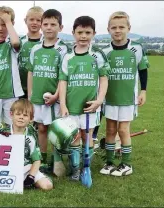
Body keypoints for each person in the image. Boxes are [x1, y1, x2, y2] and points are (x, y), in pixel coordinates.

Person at [59, 16, 109, 181]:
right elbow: (63, 81)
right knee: (74, 137)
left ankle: (85, 167)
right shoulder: (67, 56)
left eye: (88, 32)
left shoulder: (98, 55)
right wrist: (63, 104)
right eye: (80, 32)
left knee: (87, 136)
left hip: (90, 106)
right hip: (72, 106)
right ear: (73, 33)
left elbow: (103, 78)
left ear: (94, 33)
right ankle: (75, 170)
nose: (83, 36)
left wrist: (99, 100)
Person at [100, 11, 149, 176]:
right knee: (110, 130)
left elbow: (143, 70)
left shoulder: (137, 49)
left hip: (128, 98)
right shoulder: (104, 52)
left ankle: (126, 164)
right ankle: (109, 162)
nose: (117, 30)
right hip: (110, 98)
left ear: (129, 28)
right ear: (108, 29)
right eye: (114, 27)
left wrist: (143, 90)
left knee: (123, 130)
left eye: (121, 27)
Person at [26, 9, 70, 172]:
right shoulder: (35, 48)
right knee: (41, 128)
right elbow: (31, 72)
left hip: (55, 98)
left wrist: (57, 95)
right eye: (46, 24)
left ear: (61, 27)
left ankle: (57, 160)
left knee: (55, 129)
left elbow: (63, 76)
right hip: (37, 97)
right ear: (41, 27)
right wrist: (30, 95)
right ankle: (43, 160)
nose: (49, 27)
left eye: (53, 24)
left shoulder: (63, 49)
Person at [1, 99, 53, 190]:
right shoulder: (3, 132)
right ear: (11, 115)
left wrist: (31, 176)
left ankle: (37, 178)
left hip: (27, 169)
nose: (21, 117)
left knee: (47, 186)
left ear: (31, 119)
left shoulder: (31, 136)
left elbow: (36, 160)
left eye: (25, 115)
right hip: (8, 168)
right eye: (18, 114)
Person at [18, 6, 44, 99]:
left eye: (38, 20)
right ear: (25, 21)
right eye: (31, 19)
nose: (34, 23)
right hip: (21, 88)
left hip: (40, 88)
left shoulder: (46, 42)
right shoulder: (19, 41)